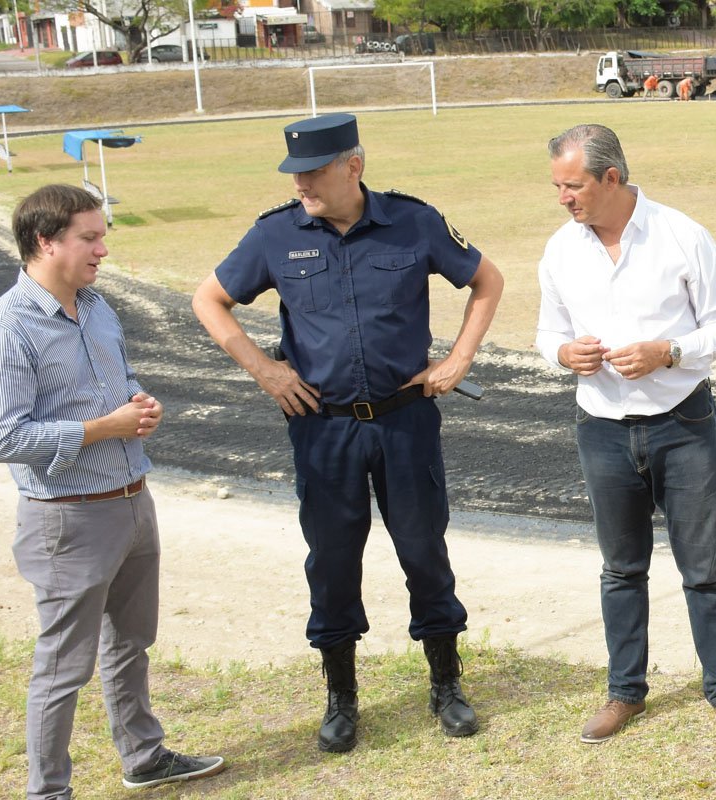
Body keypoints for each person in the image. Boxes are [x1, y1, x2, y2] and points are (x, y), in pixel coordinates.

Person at [191, 113, 506, 753]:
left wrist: (458, 361)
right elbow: (208, 299)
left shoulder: (413, 221)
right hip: (323, 430)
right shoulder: (276, 234)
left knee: (424, 551)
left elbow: (486, 280)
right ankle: (341, 697)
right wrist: (265, 372)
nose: (302, 182)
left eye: (314, 171)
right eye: (296, 173)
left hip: (405, 419)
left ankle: (446, 685)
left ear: (353, 167)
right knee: (332, 562)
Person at [0, 184, 226, 799]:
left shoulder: (97, 307)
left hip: (133, 502)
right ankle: (47, 792)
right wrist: (99, 429)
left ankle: (143, 756)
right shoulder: (2, 329)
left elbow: (119, 379)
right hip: (67, 520)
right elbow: (1, 438)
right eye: (90, 237)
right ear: (44, 242)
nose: (102, 249)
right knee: (63, 667)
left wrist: (139, 404)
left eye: (102, 235)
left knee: (132, 644)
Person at [535, 123, 716, 748]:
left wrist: (671, 351)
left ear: (612, 178)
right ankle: (624, 692)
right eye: (556, 186)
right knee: (620, 569)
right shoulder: (559, 250)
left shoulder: (683, 236)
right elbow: (545, 333)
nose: (563, 198)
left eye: (572, 185)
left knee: (704, 570)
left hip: (683, 424)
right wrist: (564, 354)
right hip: (600, 429)